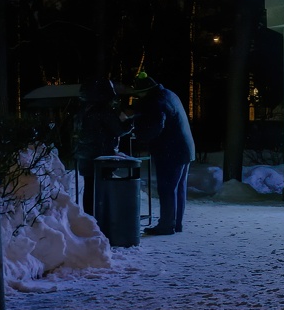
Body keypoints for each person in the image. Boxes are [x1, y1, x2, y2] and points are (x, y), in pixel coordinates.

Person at [124, 70, 195, 235]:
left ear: (144, 91)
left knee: (167, 188)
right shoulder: (168, 94)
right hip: (184, 148)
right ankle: (176, 223)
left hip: (170, 151)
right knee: (178, 188)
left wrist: (139, 134)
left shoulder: (155, 101)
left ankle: (166, 225)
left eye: (138, 93)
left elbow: (156, 125)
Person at [72, 79, 130, 216]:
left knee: (89, 188)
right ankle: (102, 219)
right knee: (102, 191)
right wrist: (128, 121)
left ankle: (90, 219)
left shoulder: (82, 111)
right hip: (101, 157)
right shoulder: (104, 111)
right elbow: (119, 130)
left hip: (85, 156)